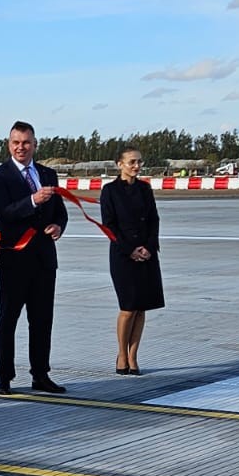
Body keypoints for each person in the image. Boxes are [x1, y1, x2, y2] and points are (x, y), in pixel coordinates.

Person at [0, 120, 69, 395]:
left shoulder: (47, 173)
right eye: (16, 143)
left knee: (42, 320)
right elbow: (4, 212)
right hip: (14, 261)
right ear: (9, 145)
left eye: (26, 143)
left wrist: (58, 226)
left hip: (44, 260)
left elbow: (60, 211)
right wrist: (33, 200)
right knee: (8, 319)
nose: (21, 147)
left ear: (35, 144)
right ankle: (4, 376)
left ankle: (40, 374)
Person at [99, 148, 164, 376]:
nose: (136, 166)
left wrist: (149, 247)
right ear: (120, 164)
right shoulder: (110, 191)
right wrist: (130, 250)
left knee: (141, 307)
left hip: (146, 254)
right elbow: (109, 225)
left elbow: (154, 220)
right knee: (128, 307)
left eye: (139, 162)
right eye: (132, 162)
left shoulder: (145, 189)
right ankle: (121, 354)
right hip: (123, 255)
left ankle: (134, 355)